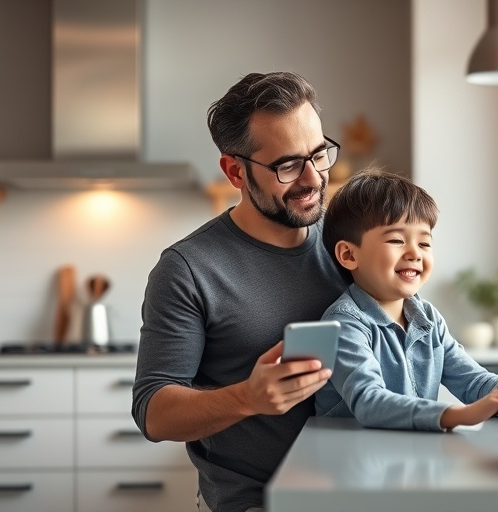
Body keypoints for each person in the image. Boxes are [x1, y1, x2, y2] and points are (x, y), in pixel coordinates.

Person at [131, 71, 348, 512]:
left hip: (353, 491)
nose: (312, 178)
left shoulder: (348, 244)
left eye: (319, 154)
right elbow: (153, 412)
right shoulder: (189, 270)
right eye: (287, 165)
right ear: (235, 171)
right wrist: (247, 398)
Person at [316, 168, 498, 431]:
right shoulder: (343, 324)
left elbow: (474, 382)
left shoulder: (428, 319)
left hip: (408, 457)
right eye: (396, 240)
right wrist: (459, 414)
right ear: (349, 255)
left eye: (425, 244)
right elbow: (369, 401)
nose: (415, 253)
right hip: (349, 461)